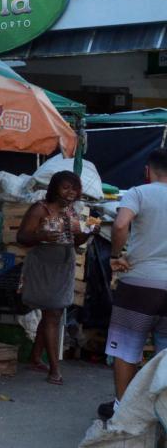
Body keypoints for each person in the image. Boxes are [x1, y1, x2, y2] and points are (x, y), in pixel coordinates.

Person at [97, 149, 167, 420]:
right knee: (166, 351)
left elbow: (120, 225)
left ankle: (122, 408)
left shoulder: (138, 192)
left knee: (127, 347)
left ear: (148, 170)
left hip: (140, 283)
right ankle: (160, 413)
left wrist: (116, 256)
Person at [16, 170, 91, 386]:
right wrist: (40, 236)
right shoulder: (40, 209)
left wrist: (88, 232)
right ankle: (54, 370)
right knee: (53, 313)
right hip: (43, 265)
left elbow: (76, 241)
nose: (70, 192)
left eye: (74, 188)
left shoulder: (71, 212)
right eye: (66, 187)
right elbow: (22, 237)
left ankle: (36, 359)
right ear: (55, 188)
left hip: (63, 264)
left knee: (52, 313)